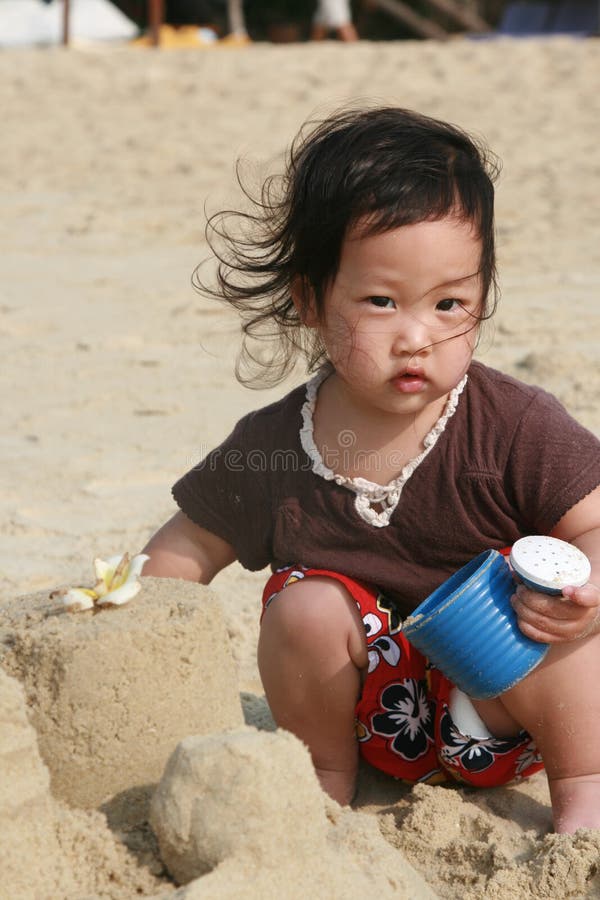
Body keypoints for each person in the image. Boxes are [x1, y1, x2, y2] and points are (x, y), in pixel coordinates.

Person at [142, 106, 600, 833]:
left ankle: (587, 792)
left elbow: (595, 521)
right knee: (302, 605)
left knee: (557, 601)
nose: (417, 336)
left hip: (515, 718)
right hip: (373, 727)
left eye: (451, 303)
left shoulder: (514, 425)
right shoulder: (274, 448)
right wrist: (126, 611)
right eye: (382, 302)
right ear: (311, 301)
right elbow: (183, 551)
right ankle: (322, 784)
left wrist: (587, 586)